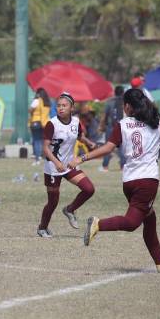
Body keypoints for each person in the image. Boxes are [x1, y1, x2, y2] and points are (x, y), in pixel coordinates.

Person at [70, 89, 160, 273]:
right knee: (132, 222)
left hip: (129, 181)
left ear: (128, 106)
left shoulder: (122, 124)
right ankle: (98, 224)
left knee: (150, 218)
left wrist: (82, 158)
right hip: (147, 182)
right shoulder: (157, 121)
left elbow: (107, 148)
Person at [36, 93, 97, 238]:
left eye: (64, 105)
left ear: (71, 108)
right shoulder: (52, 124)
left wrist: (89, 142)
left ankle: (70, 209)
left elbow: (79, 136)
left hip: (69, 165)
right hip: (53, 167)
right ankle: (42, 228)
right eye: (58, 105)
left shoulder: (76, 122)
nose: (61, 108)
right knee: (53, 202)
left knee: (89, 189)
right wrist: (56, 163)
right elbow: (45, 148)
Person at [98, 85, 125, 172]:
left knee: (107, 147)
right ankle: (123, 166)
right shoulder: (125, 102)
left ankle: (105, 167)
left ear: (115, 92)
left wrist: (102, 127)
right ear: (123, 92)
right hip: (122, 127)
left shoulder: (110, 102)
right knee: (122, 147)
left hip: (111, 127)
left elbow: (104, 116)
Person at [29, 88, 51, 165]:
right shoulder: (47, 102)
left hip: (36, 122)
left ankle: (37, 158)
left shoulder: (37, 100)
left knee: (36, 140)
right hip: (45, 123)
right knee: (43, 141)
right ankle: (46, 157)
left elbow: (30, 109)